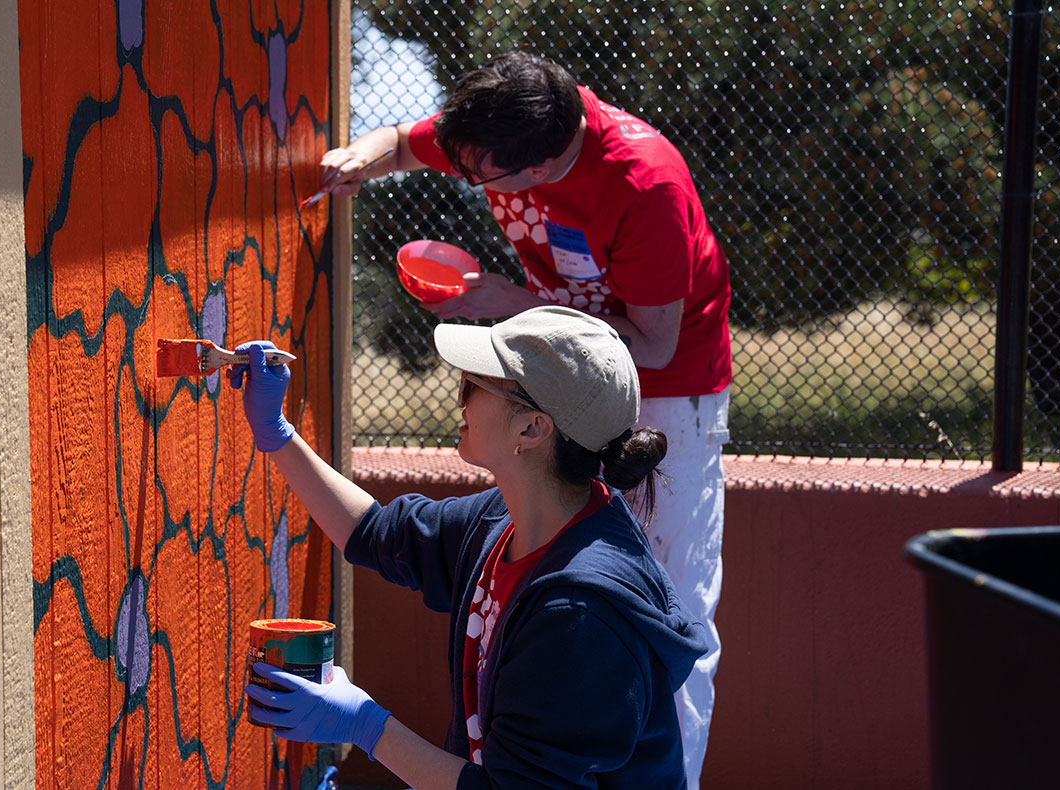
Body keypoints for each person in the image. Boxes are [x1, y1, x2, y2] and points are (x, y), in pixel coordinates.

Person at [318, 50, 731, 785]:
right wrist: (358, 158)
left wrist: (507, 305)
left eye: (479, 179)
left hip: (665, 388)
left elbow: (653, 342)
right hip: (558, 363)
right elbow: (404, 144)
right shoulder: (505, 124)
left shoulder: (643, 184)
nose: (468, 181)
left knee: (667, 616)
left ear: (539, 168)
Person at [230, 306, 708, 790]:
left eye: (475, 384)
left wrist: (365, 725)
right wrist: (276, 433)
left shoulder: (578, 615)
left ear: (531, 429)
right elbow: (375, 533)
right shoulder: (507, 518)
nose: (460, 396)